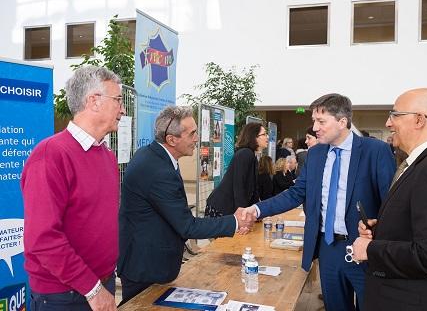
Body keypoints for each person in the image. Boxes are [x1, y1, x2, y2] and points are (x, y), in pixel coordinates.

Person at [242, 93, 395, 310]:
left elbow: (390, 202)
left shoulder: (375, 151)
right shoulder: (315, 155)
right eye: (314, 121)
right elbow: (295, 193)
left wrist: (379, 237)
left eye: (321, 121)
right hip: (328, 248)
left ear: (342, 122)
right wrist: (257, 209)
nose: (315, 127)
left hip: (365, 250)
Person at [117, 106, 254, 305]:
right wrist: (235, 221)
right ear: (172, 140)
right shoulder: (158, 170)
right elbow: (187, 226)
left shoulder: (156, 156)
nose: (197, 138)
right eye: (192, 134)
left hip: (148, 262)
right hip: (145, 268)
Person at [353, 88, 427, 311]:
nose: (388, 123)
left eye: (395, 115)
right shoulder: (424, 163)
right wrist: (383, 230)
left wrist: (370, 249)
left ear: (418, 120)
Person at [21, 66, 125, 311]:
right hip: (64, 295)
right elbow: (43, 239)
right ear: (94, 101)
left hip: (101, 285)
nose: (122, 109)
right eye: (118, 100)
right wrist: (92, 288)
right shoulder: (50, 156)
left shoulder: (107, 156)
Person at [205, 122, 269, 217]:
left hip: (230, 208)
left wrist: (256, 212)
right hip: (221, 207)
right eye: (264, 134)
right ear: (253, 137)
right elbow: (239, 186)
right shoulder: (245, 154)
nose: (267, 137)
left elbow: (253, 188)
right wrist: (243, 215)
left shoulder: (252, 155)